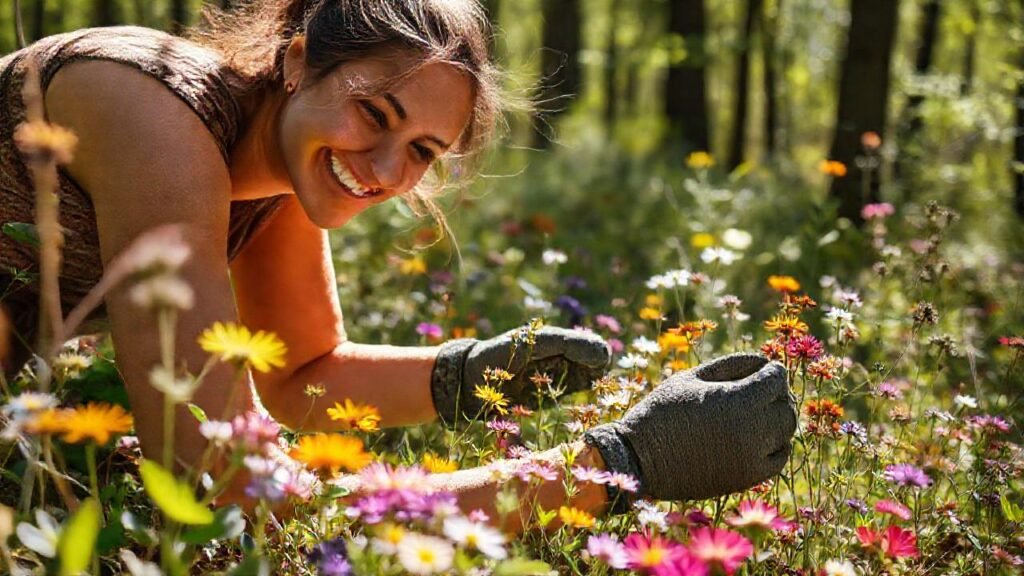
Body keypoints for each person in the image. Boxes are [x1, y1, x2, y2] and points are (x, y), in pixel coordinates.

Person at [0, 0, 796, 529]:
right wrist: (614, 465)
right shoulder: (154, 115)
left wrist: (469, 375)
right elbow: (220, 475)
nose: (382, 169)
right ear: (297, 60)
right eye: (373, 113)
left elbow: (304, 369)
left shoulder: (268, 166)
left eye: (421, 151)